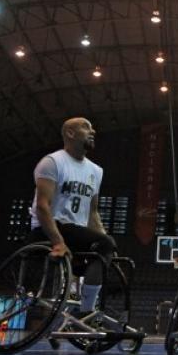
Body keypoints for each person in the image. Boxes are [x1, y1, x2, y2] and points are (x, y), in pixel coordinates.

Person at [29, 117, 113, 315]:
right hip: (48, 229)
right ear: (70, 133)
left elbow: (93, 213)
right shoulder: (52, 162)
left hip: (76, 233)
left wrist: (107, 242)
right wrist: (57, 241)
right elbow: (42, 206)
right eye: (86, 127)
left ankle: (83, 306)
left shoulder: (96, 171)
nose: (92, 131)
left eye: (93, 128)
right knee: (104, 244)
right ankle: (87, 312)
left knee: (107, 247)